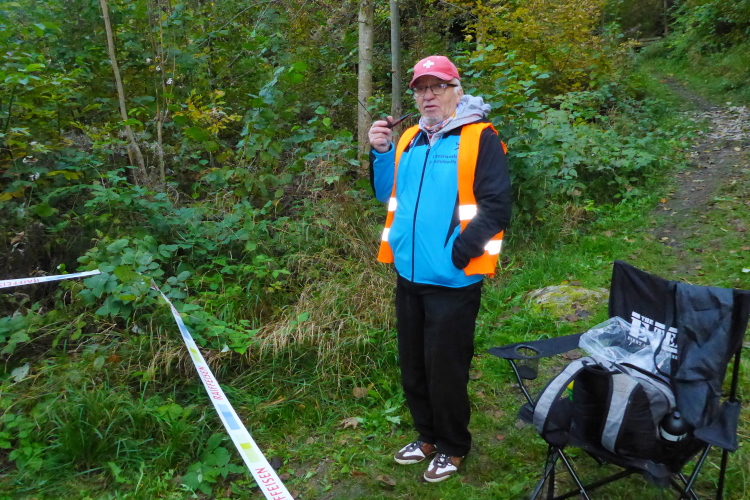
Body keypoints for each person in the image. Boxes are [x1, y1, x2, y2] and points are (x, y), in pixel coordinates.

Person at [368, 55, 512, 483]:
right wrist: (381, 152)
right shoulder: (409, 138)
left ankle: (453, 446)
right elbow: (386, 194)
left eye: (438, 86)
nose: (428, 95)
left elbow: (496, 206)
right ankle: (427, 436)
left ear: (456, 90)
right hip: (408, 273)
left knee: (445, 369)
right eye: (421, 88)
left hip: (453, 278)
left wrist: (460, 252)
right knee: (413, 366)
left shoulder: (480, 136)